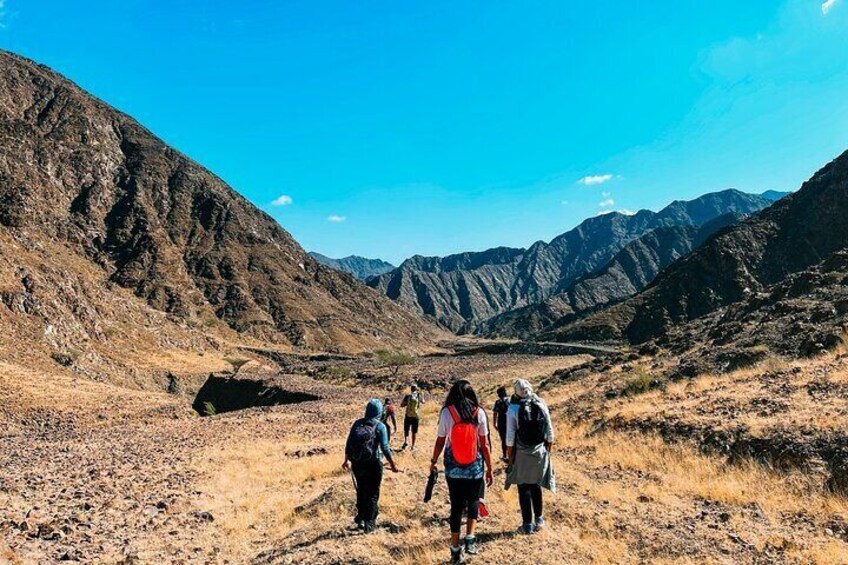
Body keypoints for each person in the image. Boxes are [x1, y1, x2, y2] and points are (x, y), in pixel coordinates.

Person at [429, 380, 494, 564]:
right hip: (474, 465)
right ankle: (471, 538)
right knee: (473, 500)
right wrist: (489, 467)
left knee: (456, 506)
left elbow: (440, 441)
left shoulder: (447, 413)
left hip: (453, 466)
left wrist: (433, 462)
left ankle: (455, 548)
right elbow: (485, 444)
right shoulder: (479, 413)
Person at [505, 379, 556, 535]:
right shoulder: (541, 403)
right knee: (536, 485)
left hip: (521, 452)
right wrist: (548, 449)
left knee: (523, 487)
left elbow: (510, 437)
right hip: (539, 450)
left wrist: (510, 456)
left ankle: (527, 524)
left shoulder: (513, 408)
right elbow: (549, 430)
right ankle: (539, 520)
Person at [343, 399, 399, 533]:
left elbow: (348, 443)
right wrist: (393, 464)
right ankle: (370, 523)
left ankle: (361, 518)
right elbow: (385, 447)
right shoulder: (380, 426)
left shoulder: (357, 423)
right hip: (373, 463)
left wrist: (346, 461)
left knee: (361, 490)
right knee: (373, 493)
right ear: (379, 411)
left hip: (357, 464)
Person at [400, 384, 424, 451]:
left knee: (406, 430)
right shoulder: (419, 395)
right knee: (414, 432)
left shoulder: (408, 396)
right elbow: (423, 402)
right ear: (416, 389)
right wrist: (423, 395)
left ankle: (406, 442)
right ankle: (413, 446)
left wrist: (406, 404)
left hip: (408, 416)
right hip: (415, 416)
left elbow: (402, 405)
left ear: (411, 389)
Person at [492, 386, 510, 461]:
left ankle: (505, 455)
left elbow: (495, 413)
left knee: (503, 439)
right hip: (509, 422)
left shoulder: (498, 402)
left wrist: (494, 423)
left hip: (501, 422)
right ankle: (511, 455)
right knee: (510, 438)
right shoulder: (510, 400)